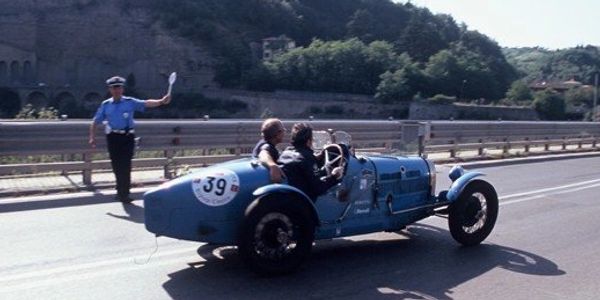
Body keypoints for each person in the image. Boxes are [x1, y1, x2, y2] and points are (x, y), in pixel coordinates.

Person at [88, 76, 171, 203]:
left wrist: (161, 101)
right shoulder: (106, 105)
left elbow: (146, 103)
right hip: (113, 137)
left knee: (125, 165)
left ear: (122, 89)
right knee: (116, 165)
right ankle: (120, 191)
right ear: (110, 89)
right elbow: (95, 121)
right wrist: (92, 137)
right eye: (114, 88)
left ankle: (124, 193)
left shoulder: (129, 102)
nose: (117, 90)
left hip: (127, 137)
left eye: (119, 87)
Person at [278, 123, 343, 201]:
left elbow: (307, 173)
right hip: (303, 202)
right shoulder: (307, 158)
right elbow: (319, 189)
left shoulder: (285, 154)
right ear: (308, 141)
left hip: (288, 198)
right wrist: (334, 176)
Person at [252, 118, 286, 183]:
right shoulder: (267, 146)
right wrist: (273, 166)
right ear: (278, 134)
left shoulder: (262, 143)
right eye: (283, 130)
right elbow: (263, 153)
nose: (284, 132)